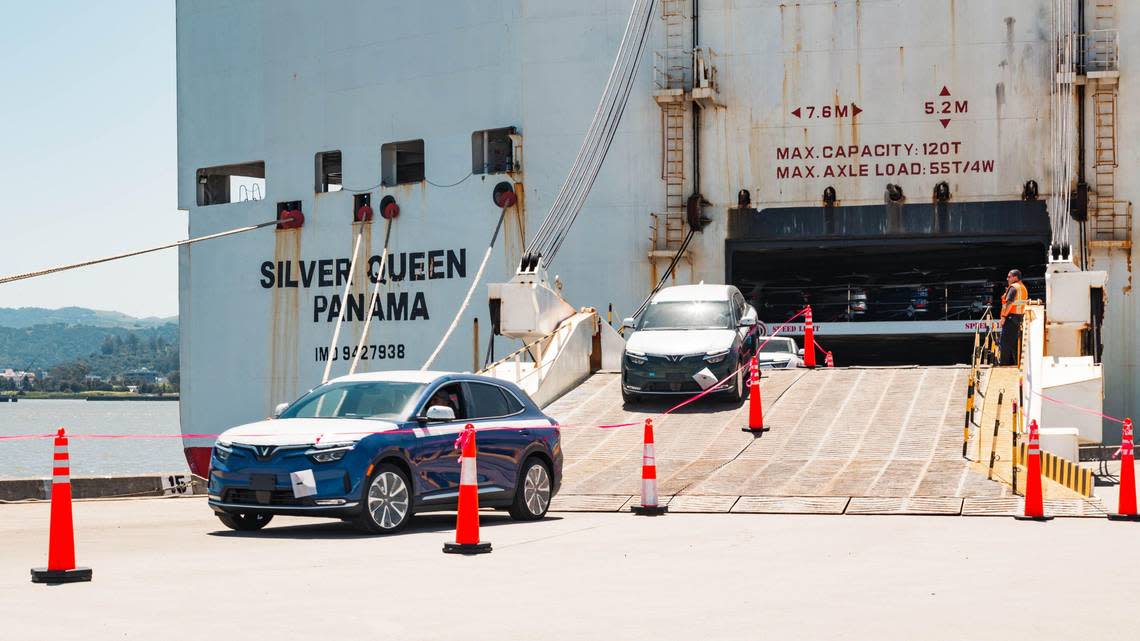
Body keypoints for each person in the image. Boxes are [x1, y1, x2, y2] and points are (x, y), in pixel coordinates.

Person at [999, 269, 1029, 366]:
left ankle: (1003, 365)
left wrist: (1003, 317)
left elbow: (1009, 303)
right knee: (1016, 345)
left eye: (1009, 276)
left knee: (1005, 344)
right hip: (1019, 318)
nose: (1007, 279)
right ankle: (1018, 364)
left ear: (1015, 277)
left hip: (1010, 318)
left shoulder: (1013, 288)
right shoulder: (1023, 288)